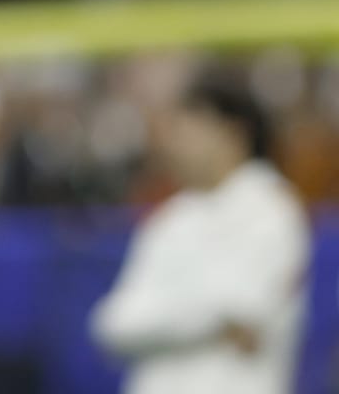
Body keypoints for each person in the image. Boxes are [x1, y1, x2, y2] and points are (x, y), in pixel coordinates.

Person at [89, 75, 310, 394]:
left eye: (189, 129)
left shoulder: (274, 212)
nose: (175, 144)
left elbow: (246, 311)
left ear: (233, 133)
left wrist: (158, 315)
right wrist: (215, 322)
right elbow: (114, 324)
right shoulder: (170, 219)